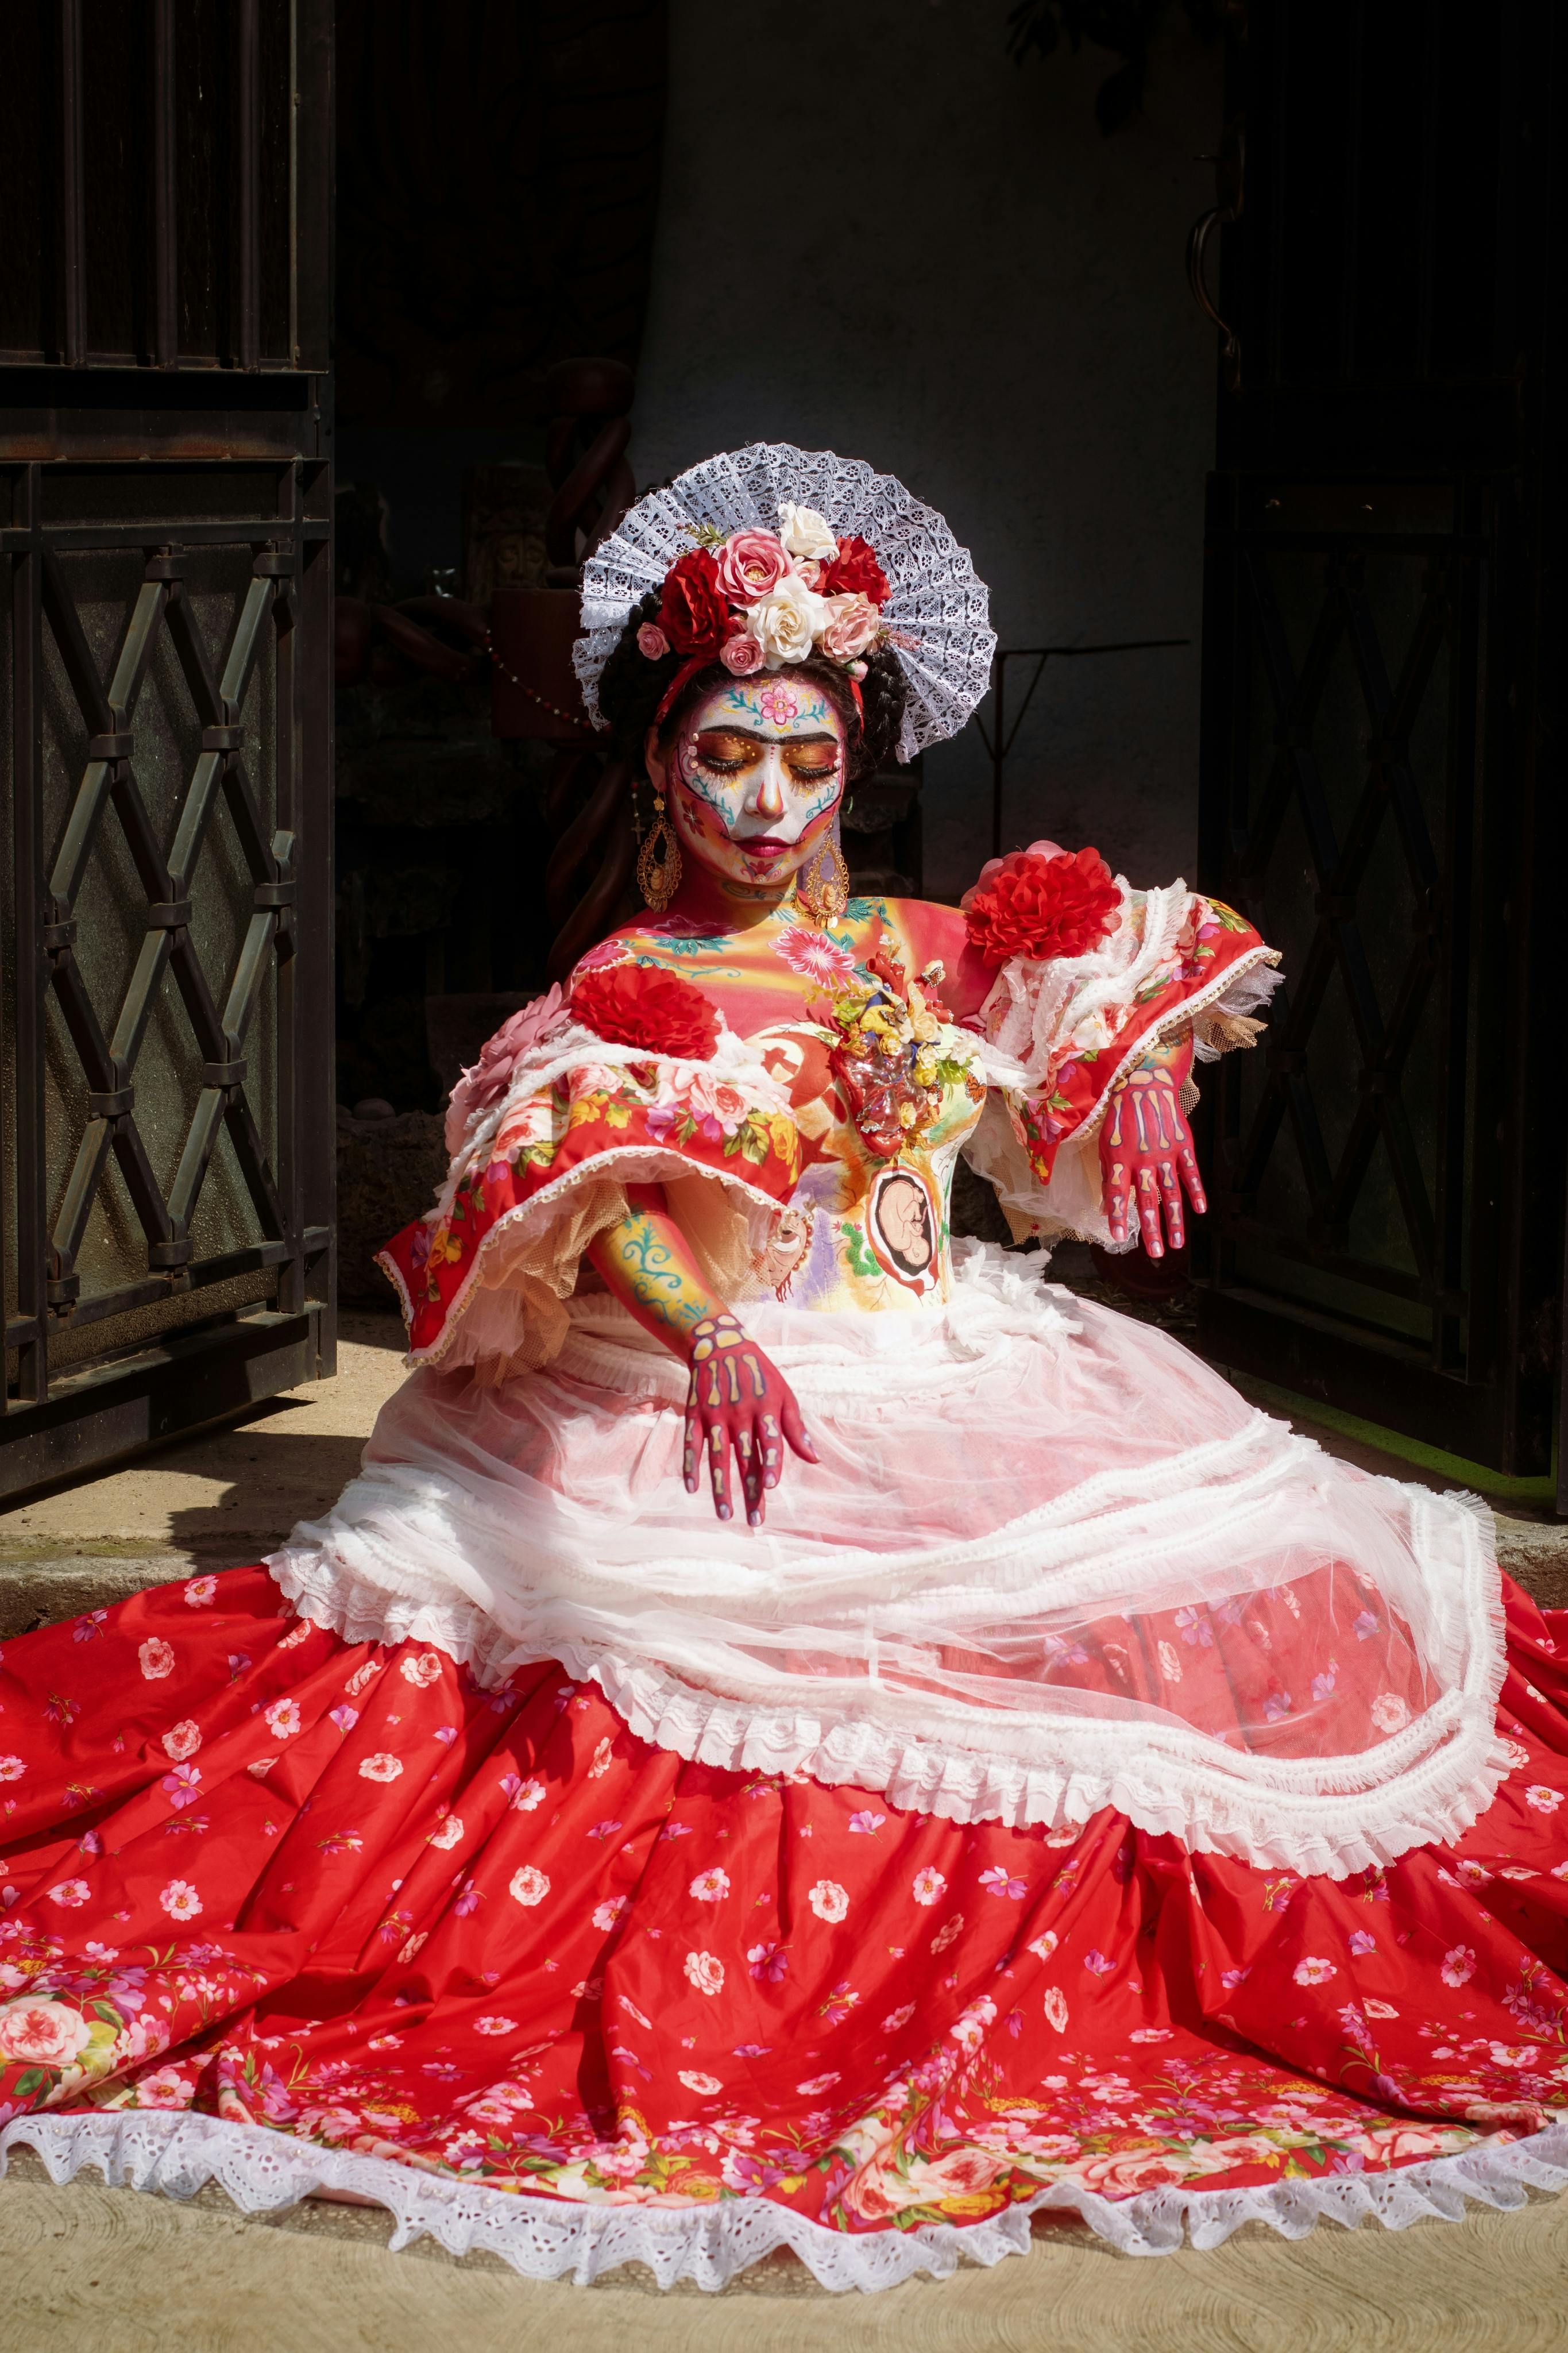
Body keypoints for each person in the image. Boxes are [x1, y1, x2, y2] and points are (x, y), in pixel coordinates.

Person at [0, 445, 1563, 2294]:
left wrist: (1121, 1062)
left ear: (856, 765)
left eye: (804, 761)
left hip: (967, 1353)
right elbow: (587, 1198)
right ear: (659, 763)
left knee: (1200, 1589)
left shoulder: (927, 944)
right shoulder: (625, 984)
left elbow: (1071, 1072)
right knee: (665, 1673)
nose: (760, 798)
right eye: (722, 755)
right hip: (721, 1385)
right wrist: (710, 1324)